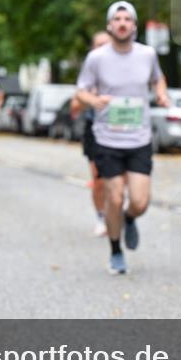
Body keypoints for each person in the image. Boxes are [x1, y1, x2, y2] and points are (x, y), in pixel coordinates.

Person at [75, 1, 169, 274]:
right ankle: (116, 251)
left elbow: (158, 79)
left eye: (127, 19)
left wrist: (161, 94)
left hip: (139, 139)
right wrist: (94, 100)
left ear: (135, 26)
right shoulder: (97, 58)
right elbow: (81, 91)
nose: (122, 23)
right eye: (117, 19)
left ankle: (129, 219)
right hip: (107, 139)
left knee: (139, 202)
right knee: (114, 197)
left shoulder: (147, 54)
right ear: (109, 25)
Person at [72, 31, 113, 236]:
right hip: (94, 130)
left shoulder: (125, 66)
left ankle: (117, 212)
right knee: (98, 179)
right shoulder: (89, 72)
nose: (103, 48)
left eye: (107, 44)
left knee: (117, 178)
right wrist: (88, 98)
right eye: (99, 45)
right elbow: (75, 104)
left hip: (121, 129)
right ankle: (101, 217)